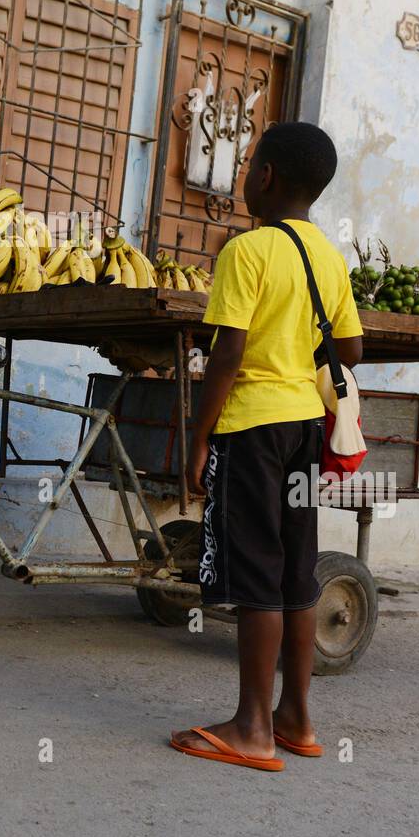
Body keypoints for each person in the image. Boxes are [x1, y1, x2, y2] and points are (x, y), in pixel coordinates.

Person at [171, 121, 363, 772]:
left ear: (266, 176)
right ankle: (296, 718)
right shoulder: (328, 257)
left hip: (252, 429)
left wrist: (198, 439)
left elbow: (226, 355)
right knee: (295, 574)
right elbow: (352, 348)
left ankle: (252, 728)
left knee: (255, 573)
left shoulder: (246, 251)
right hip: (307, 430)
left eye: (250, 162)